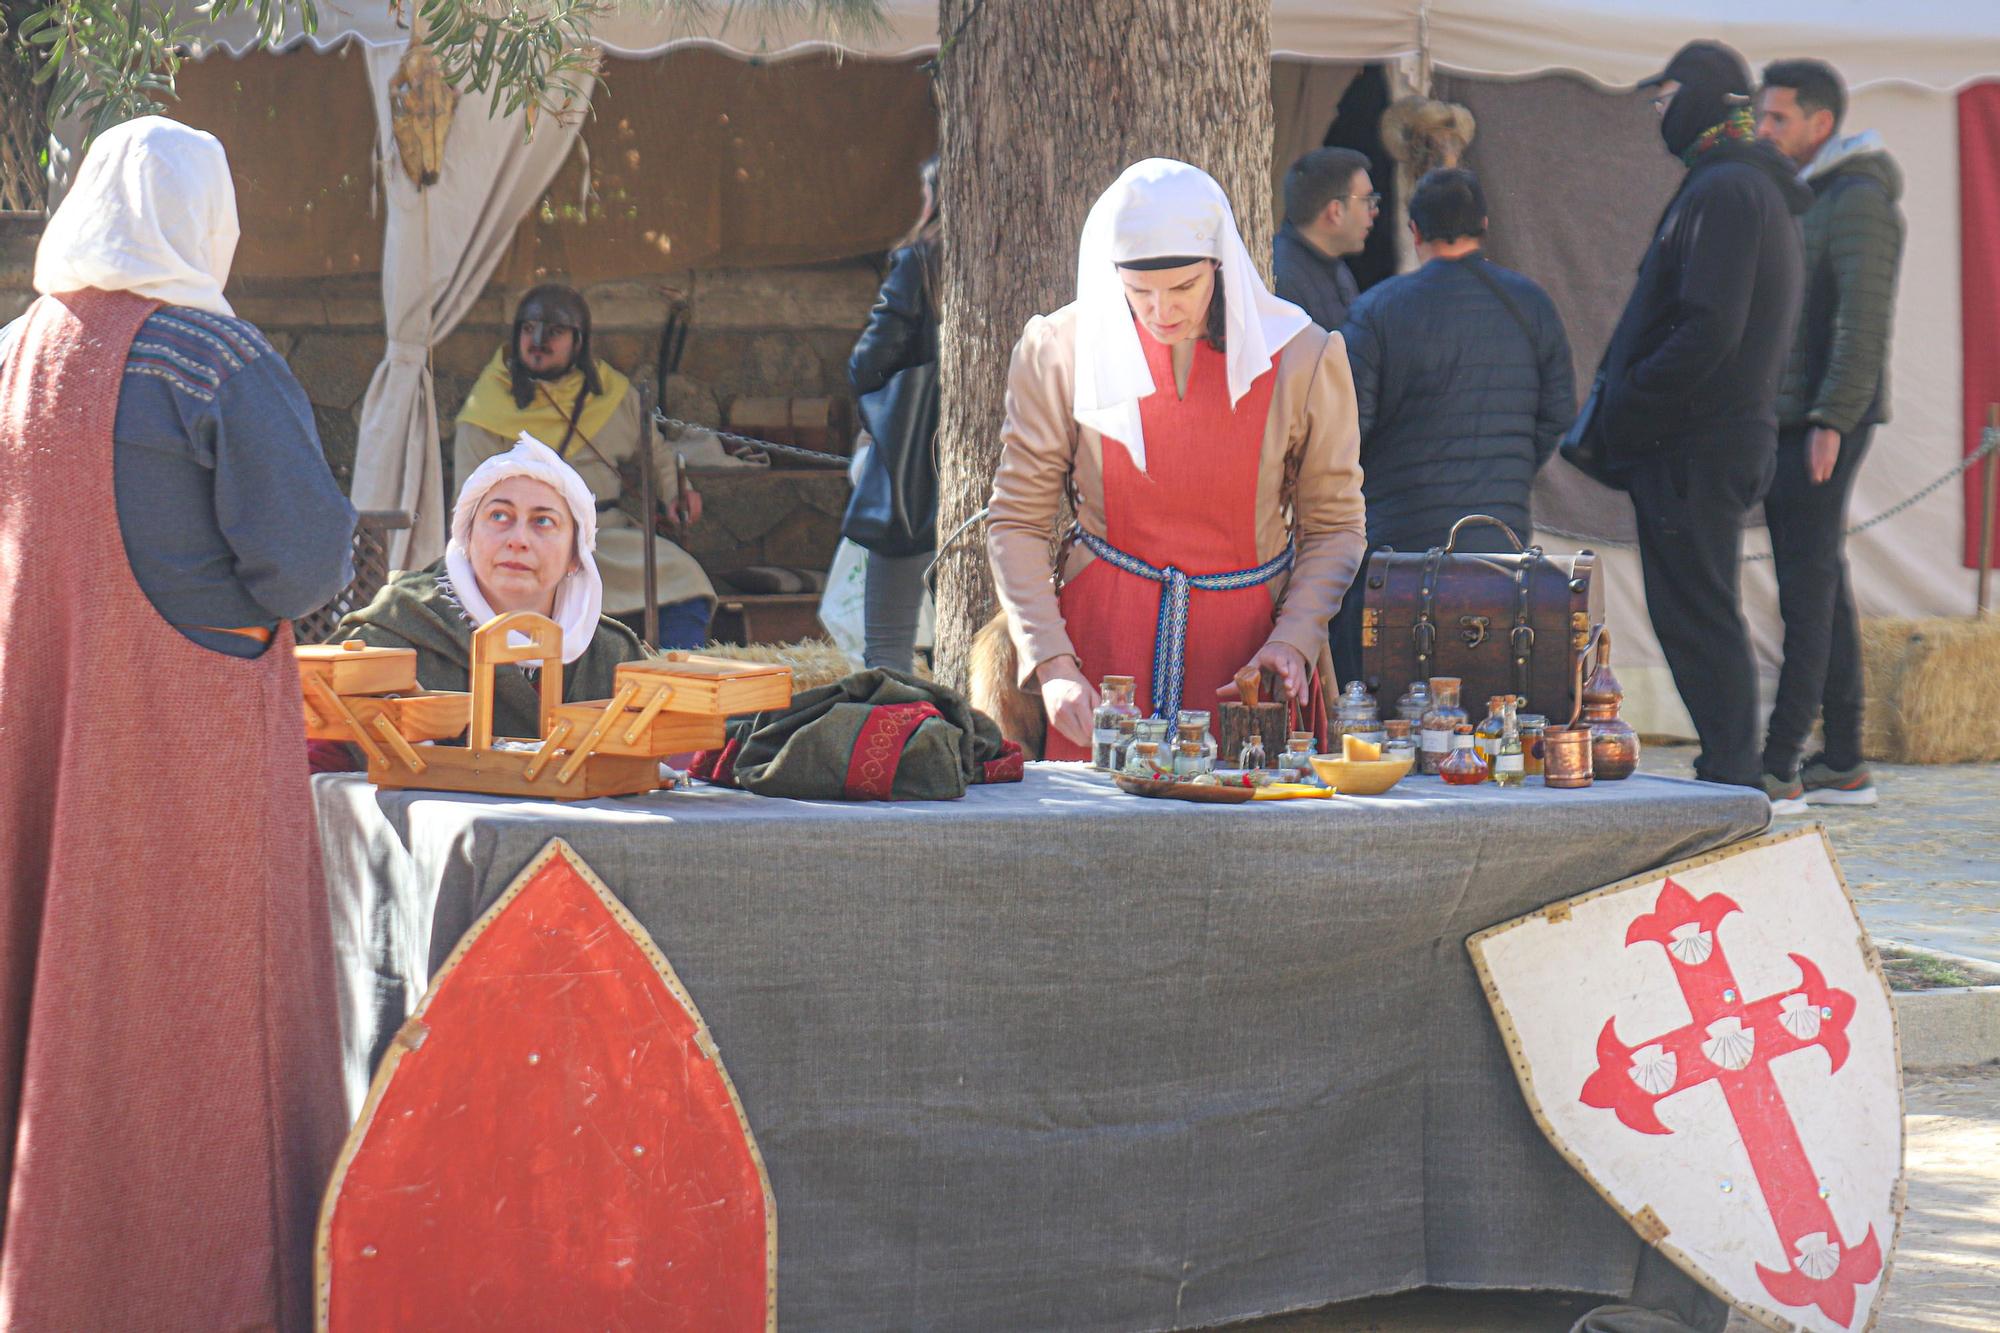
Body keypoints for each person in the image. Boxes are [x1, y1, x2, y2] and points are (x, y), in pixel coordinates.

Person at [0, 116, 353, 1329]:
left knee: (43, 992)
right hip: (183, 742)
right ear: (208, 216)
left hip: (34, 729)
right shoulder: (210, 356)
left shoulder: (11, 351)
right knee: (200, 1017)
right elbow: (306, 559)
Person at [985, 158, 1367, 758]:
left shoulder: (1304, 357)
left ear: (1220, 266)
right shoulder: (1059, 351)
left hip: (1249, 664)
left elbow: (1336, 527)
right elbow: (1017, 521)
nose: (1162, 311)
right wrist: (1054, 663)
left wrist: (1294, 638)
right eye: (1139, 293)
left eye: (1184, 288)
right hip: (1100, 657)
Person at [1599, 41, 1811, 799]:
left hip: (1699, 441)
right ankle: (1731, 770)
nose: (1659, 111)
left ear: (1702, 98)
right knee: (1697, 607)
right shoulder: (1741, 185)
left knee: (1699, 611)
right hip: (1714, 435)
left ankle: (1732, 776)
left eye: (1666, 97)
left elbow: (1708, 329)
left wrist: (1629, 403)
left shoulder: (1726, 190)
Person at [1330, 167, 1575, 683]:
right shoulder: (1531, 305)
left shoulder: (1377, 311)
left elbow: (1348, 427)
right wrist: (1505, 468)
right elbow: (1557, 414)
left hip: (1399, 545)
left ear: (1413, 231)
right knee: (1488, 698)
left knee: (1391, 700)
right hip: (1500, 545)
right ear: (1483, 224)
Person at [1755, 58, 1904, 808]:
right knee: (1821, 581)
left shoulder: (1860, 200)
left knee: (1806, 591)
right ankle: (1842, 757)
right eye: (1762, 115)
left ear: (1821, 124)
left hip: (1820, 424)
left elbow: (1861, 326)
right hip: (1797, 417)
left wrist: (1829, 421)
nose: (1764, 129)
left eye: (1778, 118)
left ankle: (1778, 764)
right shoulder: (1810, 195)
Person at [328, 435, 655, 744]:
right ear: (467, 537)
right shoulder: (394, 634)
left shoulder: (612, 656)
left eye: (543, 521)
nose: (518, 540)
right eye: (499, 516)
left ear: (575, 556)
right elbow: (323, 755)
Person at [455, 284, 715, 648]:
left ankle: (676, 679)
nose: (538, 341)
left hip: (605, 536)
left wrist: (677, 492)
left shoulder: (611, 394)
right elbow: (470, 495)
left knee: (684, 577)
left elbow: (655, 453)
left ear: (578, 341)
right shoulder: (487, 405)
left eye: (555, 332)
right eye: (529, 329)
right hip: (528, 541)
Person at [844, 154, 941, 673]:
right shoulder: (1023, 250)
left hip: (914, 464)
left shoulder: (921, 259)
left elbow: (868, 363)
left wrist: (890, 411)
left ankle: (898, 751)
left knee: (888, 649)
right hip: (1010, 458)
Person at [1272, 146, 1377, 331]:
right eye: (1366, 200)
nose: (1374, 210)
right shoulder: (1282, 277)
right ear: (1335, 211)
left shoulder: (1337, 267)